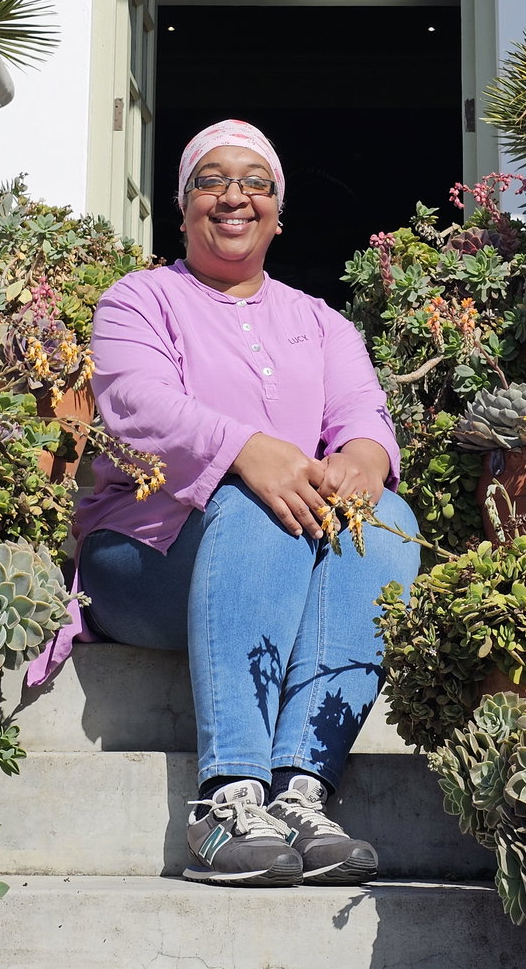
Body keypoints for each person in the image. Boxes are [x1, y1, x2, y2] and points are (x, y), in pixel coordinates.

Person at [74, 120, 421, 887]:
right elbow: (134, 402)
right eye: (212, 180)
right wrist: (245, 450)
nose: (235, 196)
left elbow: (363, 412)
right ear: (183, 204)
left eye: (256, 181)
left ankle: (301, 790)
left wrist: (364, 458)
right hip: (146, 560)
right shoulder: (139, 300)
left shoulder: (320, 320)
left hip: (280, 559)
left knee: (391, 520)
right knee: (257, 502)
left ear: (279, 210)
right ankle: (225, 798)